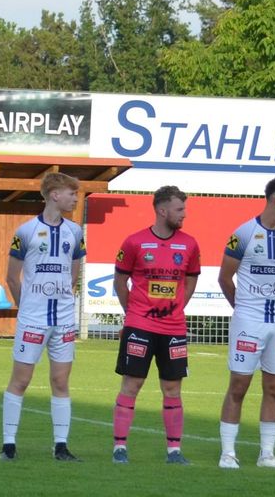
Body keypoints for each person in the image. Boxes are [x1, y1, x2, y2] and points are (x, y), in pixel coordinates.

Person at [111, 185, 201, 465]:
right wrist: (134, 314)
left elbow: (190, 279)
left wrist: (175, 308)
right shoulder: (134, 242)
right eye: (179, 209)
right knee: (132, 384)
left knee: (173, 389)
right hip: (140, 325)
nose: (184, 214)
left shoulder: (189, 244)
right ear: (163, 210)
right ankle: (119, 448)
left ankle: (174, 451)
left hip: (173, 329)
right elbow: (119, 281)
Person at [217, 175, 275, 469]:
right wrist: (243, 309)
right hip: (248, 322)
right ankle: (228, 453)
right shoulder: (242, 234)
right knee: (239, 385)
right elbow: (225, 278)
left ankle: (267, 454)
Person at [0, 172, 85, 462]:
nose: (75, 197)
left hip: (63, 320)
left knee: (61, 381)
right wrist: (27, 307)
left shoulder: (74, 232)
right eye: (71, 193)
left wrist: (64, 294)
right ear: (54, 195)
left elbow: (74, 268)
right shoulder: (25, 231)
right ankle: (8, 444)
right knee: (21, 380)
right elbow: (12, 277)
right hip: (33, 320)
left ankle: (61, 446)